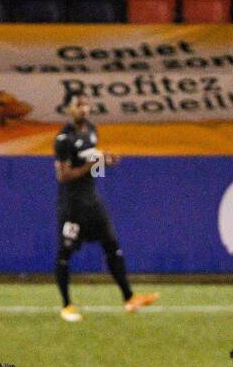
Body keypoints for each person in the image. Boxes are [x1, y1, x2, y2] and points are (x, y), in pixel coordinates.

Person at [53, 90, 158, 323]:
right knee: (65, 253)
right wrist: (93, 164)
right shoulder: (64, 139)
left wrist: (104, 162)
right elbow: (63, 176)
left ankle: (129, 298)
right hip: (72, 205)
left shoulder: (91, 130)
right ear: (69, 108)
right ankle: (66, 306)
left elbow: (94, 166)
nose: (84, 109)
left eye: (87, 105)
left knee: (112, 245)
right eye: (79, 105)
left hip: (92, 202)